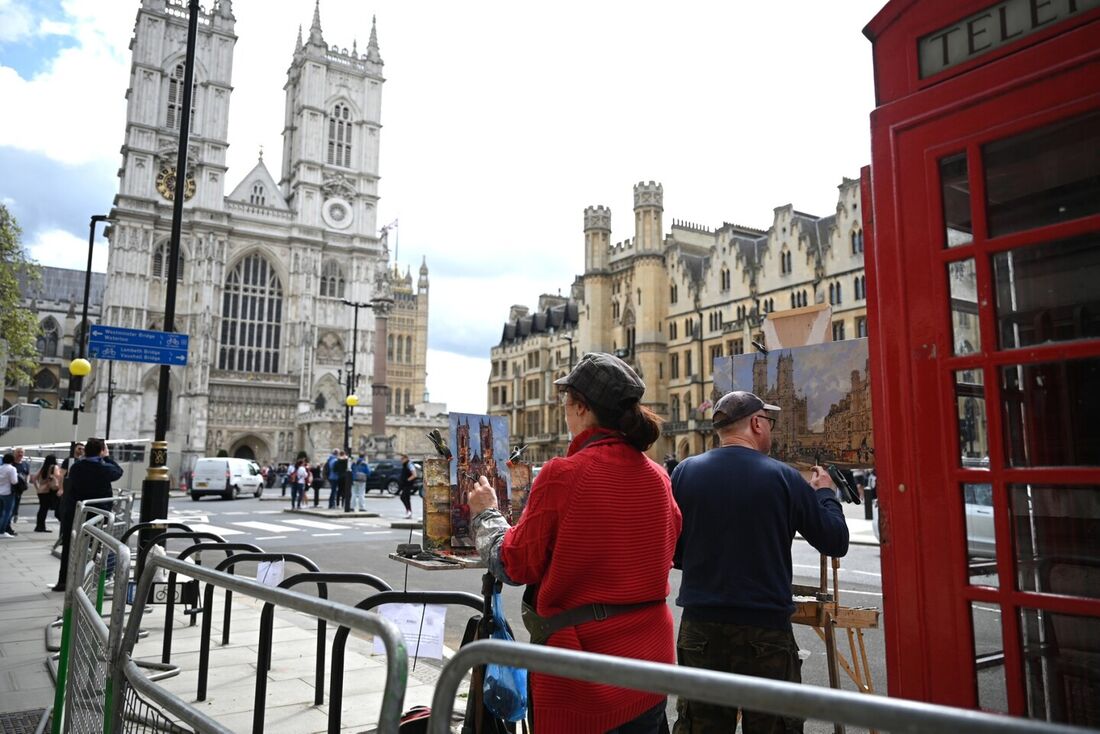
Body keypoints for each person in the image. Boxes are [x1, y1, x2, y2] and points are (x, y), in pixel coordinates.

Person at [468, 352, 682, 733]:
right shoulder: (658, 477)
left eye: (566, 405)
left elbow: (515, 564)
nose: (564, 415)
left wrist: (486, 514)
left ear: (581, 408)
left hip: (584, 671)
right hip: (651, 666)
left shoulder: (563, 474)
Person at [670, 391, 849, 734]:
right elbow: (835, 540)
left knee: (700, 727)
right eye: (769, 422)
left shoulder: (685, 472)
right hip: (765, 628)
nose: (771, 430)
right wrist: (825, 493)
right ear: (755, 424)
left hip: (700, 626)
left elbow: (673, 552)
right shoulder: (783, 478)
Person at [54, 437, 124, 592]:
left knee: (70, 548)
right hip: (99, 514)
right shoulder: (103, 468)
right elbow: (118, 472)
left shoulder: (77, 467)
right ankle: (93, 583)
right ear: (101, 451)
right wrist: (106, 457)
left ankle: (64, 581)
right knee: (98, 548)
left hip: (76, 513)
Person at [32, 454, 62, 533]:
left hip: (41, 491)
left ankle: (39, 526)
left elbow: (34, 478)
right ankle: (41, 527)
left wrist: (37, 487)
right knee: (49, 508)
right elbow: (58, 477)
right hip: (48, 490)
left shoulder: (43, 468)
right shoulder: (54, 467)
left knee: (42, 509)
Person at [5, 446, 29, 535]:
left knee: (14, 509)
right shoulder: (11, 465)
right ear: (14, 453)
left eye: (22, 452)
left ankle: (7, 527)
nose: (20, 454)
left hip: (19, 491)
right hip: (10, 490)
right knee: (8, 510)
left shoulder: (25, 464)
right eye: (18, 452)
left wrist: (25, 485)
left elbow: (27, 475)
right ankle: (7, 528)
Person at [0, 454, 18, 539]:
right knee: (7, 512)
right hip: (8, 492)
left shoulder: (0, 468)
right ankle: (2, 531)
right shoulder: (12, 469)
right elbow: (14, 481)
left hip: (0, 492)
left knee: (1, 512)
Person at [398, 454, 417, 519]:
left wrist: (407, 480)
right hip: (405, 484)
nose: (401, 460)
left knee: (403, 497)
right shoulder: (405, 465)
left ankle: (409, 511)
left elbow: (414, 475)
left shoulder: (409, 464)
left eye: (402, 459)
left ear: (406, 458)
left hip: (408, 484)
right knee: (406, 498)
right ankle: (409, 512)